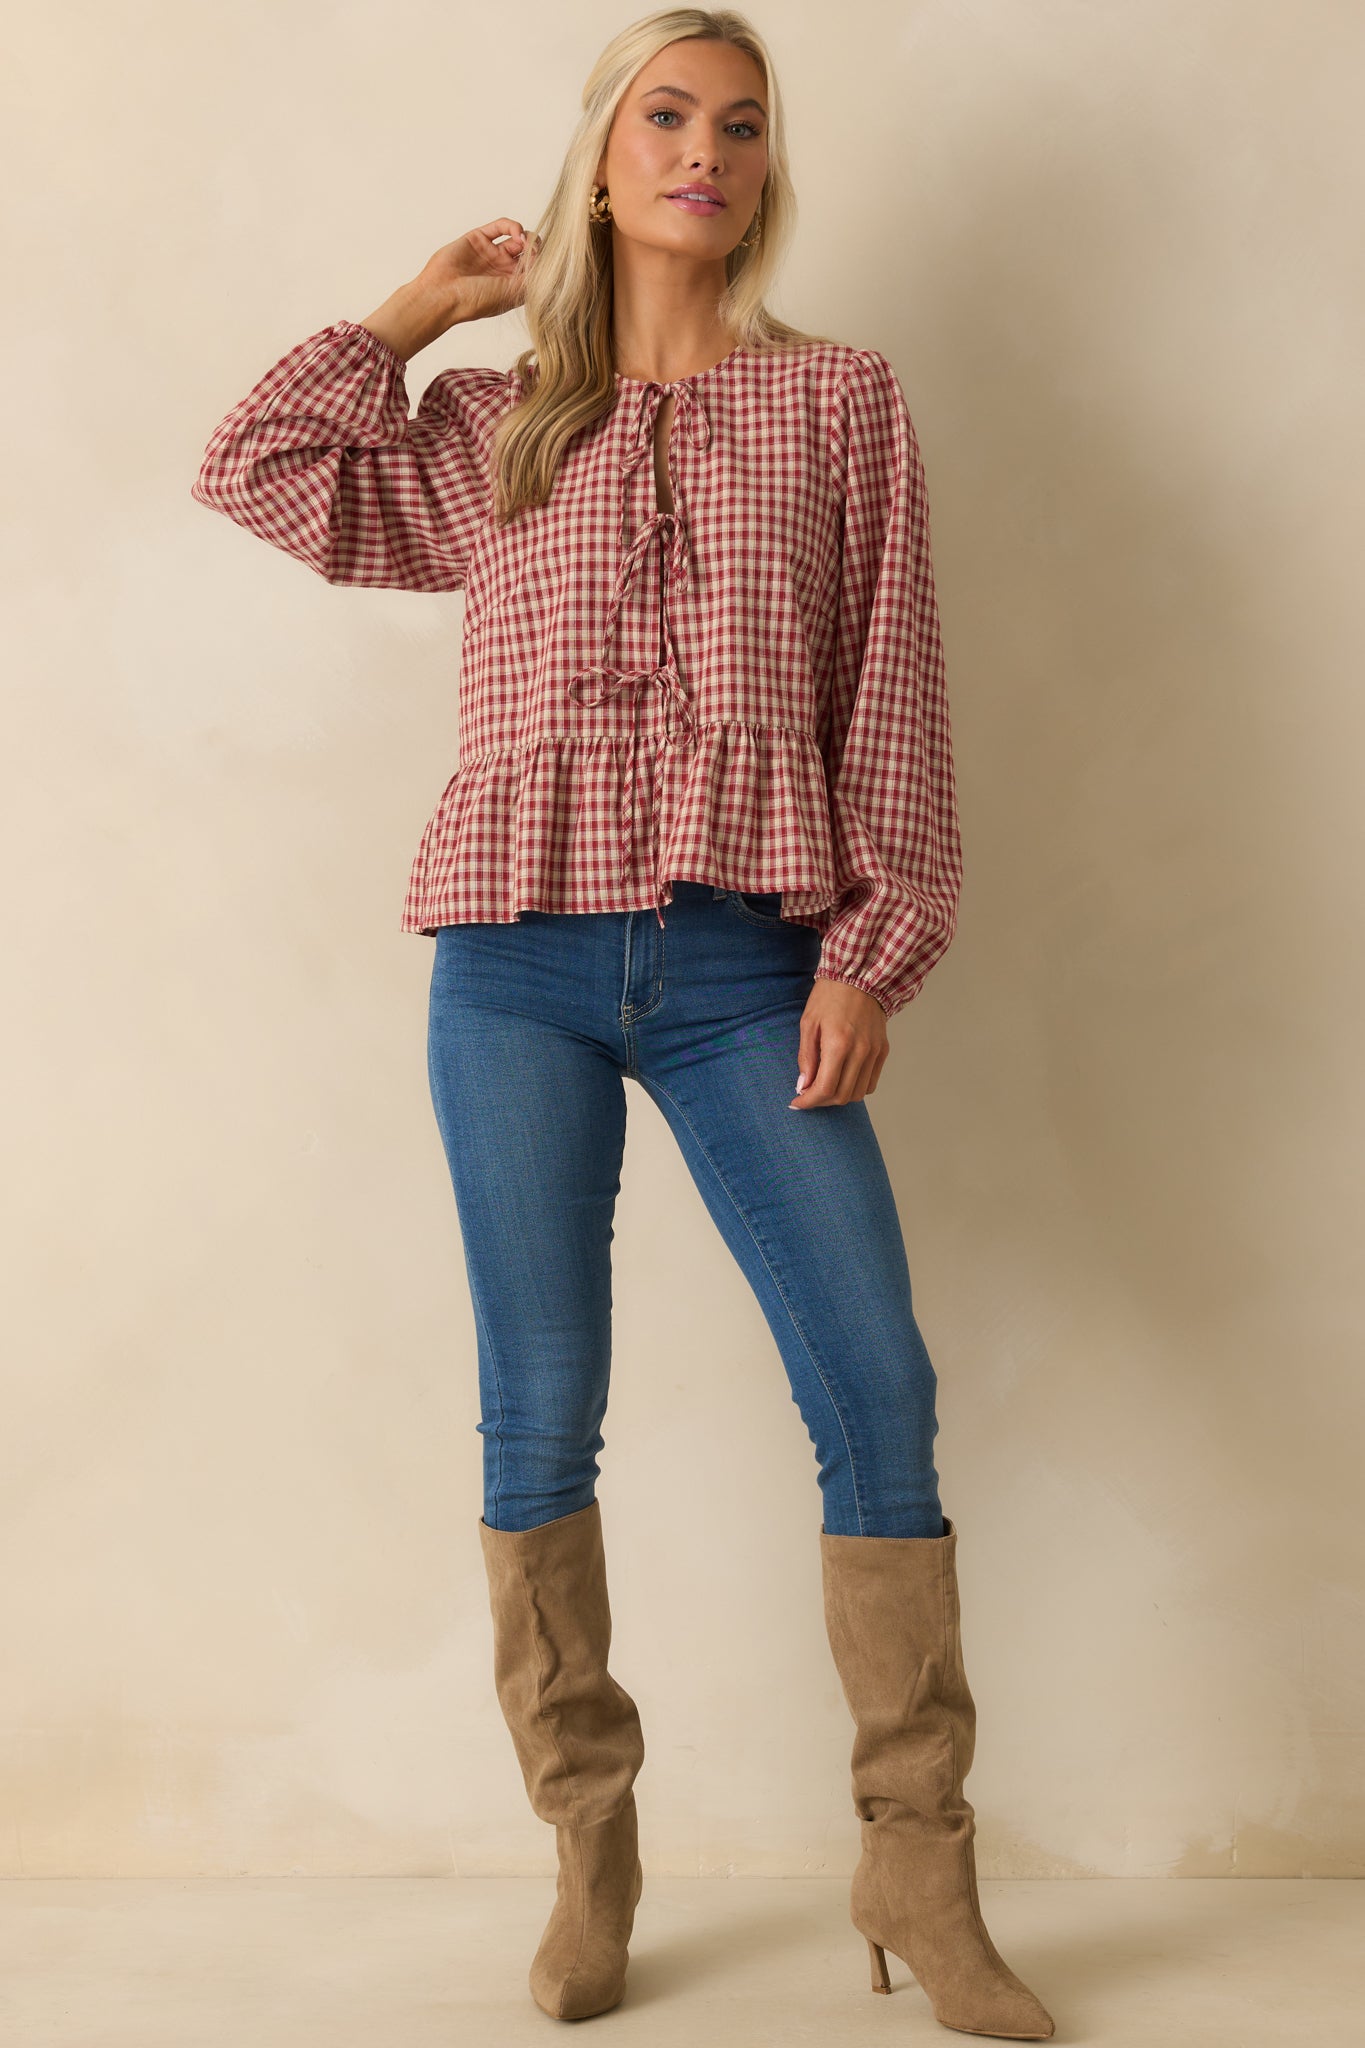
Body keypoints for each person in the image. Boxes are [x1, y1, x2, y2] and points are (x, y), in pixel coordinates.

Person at [190, 9, 1055, 2039]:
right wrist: (417, 303)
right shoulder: (498, 425)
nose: (704, 149)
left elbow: (892, 695)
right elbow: (253, 468)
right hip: (510, 963)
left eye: (738, 125)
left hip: (752, 962)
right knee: (534, 1414)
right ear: (599, 157)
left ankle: (916, 1872)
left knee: (874, 1387)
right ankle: (589, 1854)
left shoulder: (841, 410)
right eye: (664, 116)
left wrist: (871, 949)